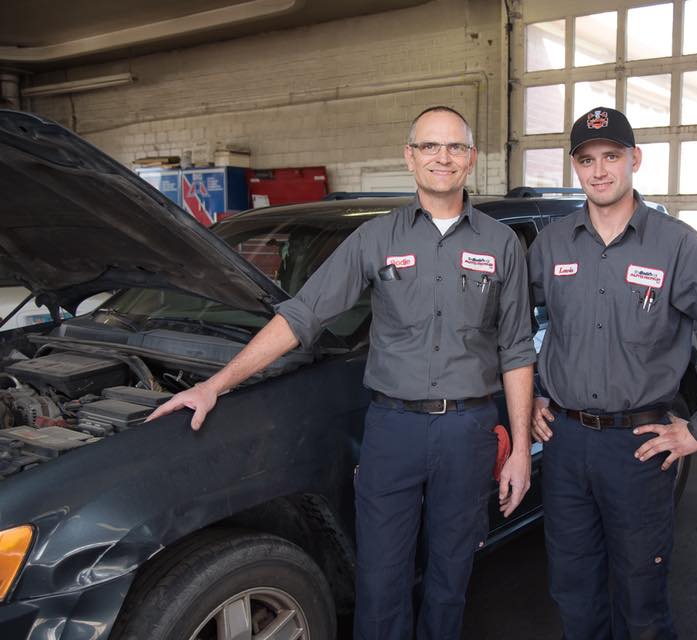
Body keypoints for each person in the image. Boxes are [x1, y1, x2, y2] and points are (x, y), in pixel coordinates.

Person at [148, 106, 536, 640]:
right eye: (429, 146)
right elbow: (303, 316)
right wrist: (215, 384)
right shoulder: (376, 239)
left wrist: (518, 448)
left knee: (451, 576)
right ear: (410, 157)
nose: (441, 157)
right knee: (381, 581)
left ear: (470, 159)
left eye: (453, 147)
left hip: (467, 432)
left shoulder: (501, 244)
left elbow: (517, 349)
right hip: (393, 430)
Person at [528, 106, 697, 639]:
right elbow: (517, 325)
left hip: (637, 448)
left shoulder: (676, 245)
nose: (599, 170)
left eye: (611, 156)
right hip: (565, 445)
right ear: (575, 167)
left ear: (634, 159)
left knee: (641, 600)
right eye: (586, 160)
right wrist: (535, 394)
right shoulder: (552, 244)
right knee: (573, 591)